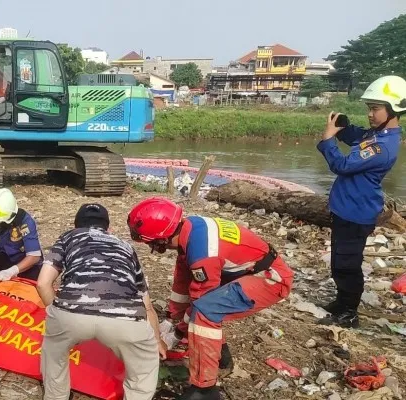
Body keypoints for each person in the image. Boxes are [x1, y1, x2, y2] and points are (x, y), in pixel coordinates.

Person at [127, 197, 294, 400]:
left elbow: (201, 298)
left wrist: (178, 333)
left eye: (152, 244)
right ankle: (221, 357)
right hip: (246, 271)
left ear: (162, 239)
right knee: (203, 308)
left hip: (269, 279)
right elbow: (182, 282)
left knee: (205, 313)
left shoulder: (203, 252)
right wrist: (171, 318)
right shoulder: (189, 231)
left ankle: (204, 390)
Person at [36, 203, 164, 400]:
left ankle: (56, 396)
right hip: (126, 318)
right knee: (144, 369)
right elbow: (147, 306)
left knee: (54, 351)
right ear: (108, 228)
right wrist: (156, 342)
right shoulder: (126, 247)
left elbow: (43, 283)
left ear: (75, 225)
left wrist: (57, 314)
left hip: (71, 313)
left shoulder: (69, 237)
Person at [316, 75, 405, 328]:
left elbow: (342, 165)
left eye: (375, 109)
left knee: (347, 265)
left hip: (356, 212)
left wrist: (328, 140)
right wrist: (342, 127)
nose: (370, 114)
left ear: (393, 110)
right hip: (347, 209)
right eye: (369, 108)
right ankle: (342, 302)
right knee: (340, 261)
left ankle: (349, 312)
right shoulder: (376, 135)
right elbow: (358, 135)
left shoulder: (382, 146)